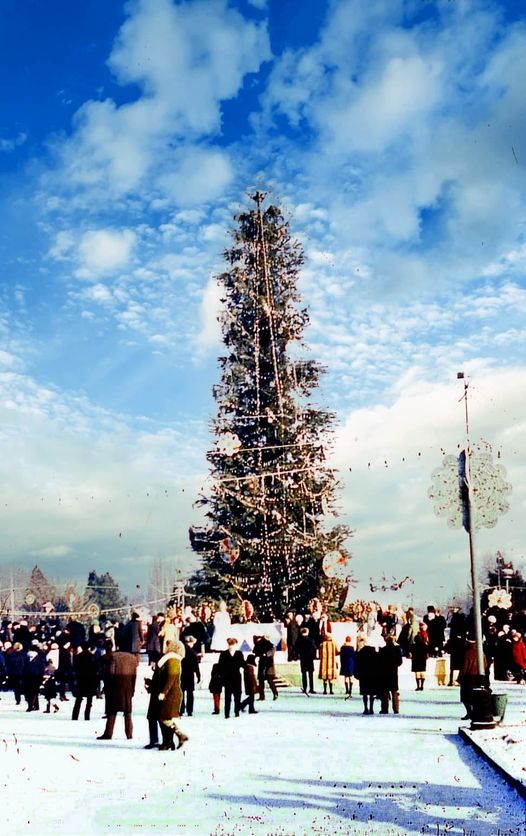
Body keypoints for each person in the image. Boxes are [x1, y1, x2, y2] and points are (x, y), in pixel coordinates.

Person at [97, 649, 138, 740]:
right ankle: (129, 733)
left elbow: (111, 673)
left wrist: (106, 686)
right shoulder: (133, 658)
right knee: (127, 711)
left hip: (115, 686)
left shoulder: (114, 657)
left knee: (112, 711)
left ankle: (108, 733)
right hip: (128, 686)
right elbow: (135, 675)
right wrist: (133, 689)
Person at [157, 639, 188, 751]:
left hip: (172, 695)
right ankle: (173, 740)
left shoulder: (173, 660)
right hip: (171, 694)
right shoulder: (171, 659)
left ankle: (180, 735)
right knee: (165, 717)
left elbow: (171, 676)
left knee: (164, 718)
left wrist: (163, 692)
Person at [458, 638, 487, 720]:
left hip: (468, 677)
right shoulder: (481, 653)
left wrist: (460, 677)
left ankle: (469, 712)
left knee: (465, 696)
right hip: (479, 676)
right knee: (476, 696)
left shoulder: (468, 653)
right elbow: (485, 664)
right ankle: (474, 712)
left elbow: (465, 667)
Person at [218, 637, 245, 718]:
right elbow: (220, 666)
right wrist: (221, 678)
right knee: (227, 697)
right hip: (227, 678)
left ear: (236, 645)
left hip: (237, 677)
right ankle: (227, 713)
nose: (231, 646)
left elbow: (242, 664)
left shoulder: (239, 654)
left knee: (237, 696)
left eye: (233, 645)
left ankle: (237, 712)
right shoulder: (224, 654)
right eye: (230, 644)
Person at [72, 644, 98, 721]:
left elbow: (75, 668)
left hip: (81, 680)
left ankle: (75, 716)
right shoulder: (92, 657)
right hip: (90, 680)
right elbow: (96, 669)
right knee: (89, 700)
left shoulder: (78, 657)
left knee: (78, 699)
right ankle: (87, 716)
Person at [378, 635, 403, 714]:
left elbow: (379, 662)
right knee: (394, 691)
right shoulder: (397, 649)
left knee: (385, 691)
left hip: (384, 672)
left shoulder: (383, 650)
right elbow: (400, 662)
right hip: (393, 672)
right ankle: (396, 708)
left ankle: (385, 709)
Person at [355, 639, 378, 715]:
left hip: (363, 676)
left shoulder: (360, 653)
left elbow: (357, 665)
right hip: (373, 675)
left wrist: (357, 674)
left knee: (365, 693)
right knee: (372, 693)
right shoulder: (374, 653)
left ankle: (365, 708)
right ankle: (371, 708)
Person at [253, 634, 279, 700]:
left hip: (263, 663)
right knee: (269, 680)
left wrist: (262, 654)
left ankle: (262, 696)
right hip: (269, 663)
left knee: (262, 680)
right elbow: (271, 652)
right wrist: (266, 654)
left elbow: (255, 652)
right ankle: (275, 693)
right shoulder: (271, 645)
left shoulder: (259, 644)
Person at [180, 635, 201, 716]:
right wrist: (198, 675)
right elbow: (196, 666)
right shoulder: (193, 652)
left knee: (181, 693)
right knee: (190, 694)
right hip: (190, 675)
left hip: (181, 674)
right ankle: (190, 710)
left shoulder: (181, 651)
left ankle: (181, 709)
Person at [295, 626, 316, 694]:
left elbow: (296, 649)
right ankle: (311, 688)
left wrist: (298, 656)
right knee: (311, 674)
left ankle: (304, 688)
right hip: (310, 658)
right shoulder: (311, 640)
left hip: (303, 658)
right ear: (307, 632)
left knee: (304, 674)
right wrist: (314, 656)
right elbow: (314, 648)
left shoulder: (299, 640)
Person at [411, 623, 429, 691]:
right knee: (422, 673)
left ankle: (418, 686)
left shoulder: (413, 646)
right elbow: (427, 653)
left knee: (417, 674)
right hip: (422, 660)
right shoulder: (424, 646)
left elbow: (410, 653)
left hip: (415, 661)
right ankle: (422, 686)